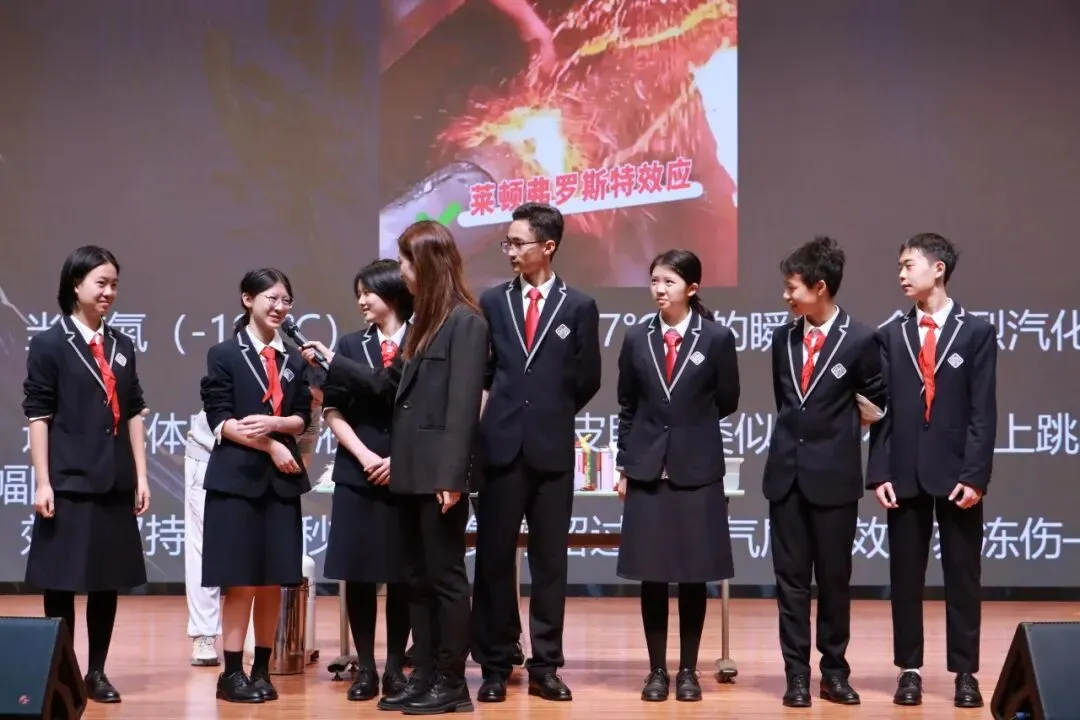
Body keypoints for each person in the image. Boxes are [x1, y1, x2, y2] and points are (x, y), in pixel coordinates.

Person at [302, 220, 487, 714]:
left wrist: (452, 476)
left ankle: (452, 684)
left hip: (438, 479)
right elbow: (386, 386)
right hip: (409, 475)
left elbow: (463, 407)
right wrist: (333, 360)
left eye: (406, 261)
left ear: (426, 263)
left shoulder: (466, 321)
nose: (402, 271)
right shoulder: (426, 324)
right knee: (416, 579)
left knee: (445, 580)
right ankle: (422, 675)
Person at [471, 202, 601, 703]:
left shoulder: (578, 306)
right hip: (499, 448)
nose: (510, 251)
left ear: (547, 247)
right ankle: (496, 663)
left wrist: (549, 410)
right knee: (493, 560)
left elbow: (588, 377)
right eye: (507, 242)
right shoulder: (493, 301)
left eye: (518, 242)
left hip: (550, 451)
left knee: (550, 563)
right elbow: (484, 373)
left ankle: (546, 665)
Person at [867, 233, 996, 709]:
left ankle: (965, 672)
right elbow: (881, 412)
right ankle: (910, 670)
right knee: (905, 577)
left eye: (909, 265)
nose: (901, 274)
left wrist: (976, 476)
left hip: (958, 474)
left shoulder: (976, 332)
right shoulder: (891, 334)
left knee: (963, 576)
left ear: (938, 268)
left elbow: (984, 411)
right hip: (904, 474)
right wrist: (879, 472)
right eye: (900, 266)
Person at [763, 236, 888, 708]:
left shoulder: (860, 339)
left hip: (834, 480)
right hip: (786, 479)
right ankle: (796, 676)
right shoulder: (783, 338)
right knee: (790, 583)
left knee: (834, 581)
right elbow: (785, 402)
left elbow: (877, 403)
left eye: (792, 287)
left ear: (820, 287)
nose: (786, 296)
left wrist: (838, 432)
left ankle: (834, 673)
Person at [23, 245, 151, 703]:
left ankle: (96, 672)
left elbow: (133, 411)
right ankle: (62, 670)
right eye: (101, 283)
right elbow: (38, 414)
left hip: (115, 478)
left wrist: (141, 475)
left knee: (105, 579)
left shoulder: (122, 345)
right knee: (60, 581)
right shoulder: (49, 343)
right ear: (75, 285)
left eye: (114, 284)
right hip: (69, 479)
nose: (109, 292)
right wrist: (43, 481)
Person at [614, 249, 739, 702]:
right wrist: (626, 464)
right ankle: (656, 671)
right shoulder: (637, 337)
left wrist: (687, 431)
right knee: (652, 575)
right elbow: (628, 405)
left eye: (669, 282)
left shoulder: (717, 338)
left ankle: (688, 670)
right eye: (654, 281)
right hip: (648, 469)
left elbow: (727, 399)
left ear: (692, 287)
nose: (659, 290)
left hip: (696, 469)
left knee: (693, 575)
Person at [199, 268, 313, 704]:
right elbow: (221, 419)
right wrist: (270, 445)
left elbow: (302, 416)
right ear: (248, 299)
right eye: (271, 298)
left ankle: (261, 670)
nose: (280, 307)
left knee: (273, 581)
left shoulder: (295, 359)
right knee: (241, 581)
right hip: (237, 480)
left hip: (281, 483)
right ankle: (231, 673)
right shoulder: (224, 354)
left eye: (286, 300)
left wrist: (278, 426)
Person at [321, 259, 414, 702]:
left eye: (368, 292)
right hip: (357, 472)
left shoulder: (422, 339)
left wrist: (400, 459)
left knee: (402, 575)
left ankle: (396, 668)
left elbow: (430, 410)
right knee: (358, 574)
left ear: (392, 293)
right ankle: (366, 668)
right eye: (357, 293)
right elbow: (332, 409)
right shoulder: (349, 345)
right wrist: (365, 456)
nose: (360, 301)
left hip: (407, 473)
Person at [184, 410, 221, 667]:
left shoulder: (309, 406)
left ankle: (258, 637)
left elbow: (304, 449)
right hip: (209, 454)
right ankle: (203, 634)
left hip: (264, 460)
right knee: (205, 549)